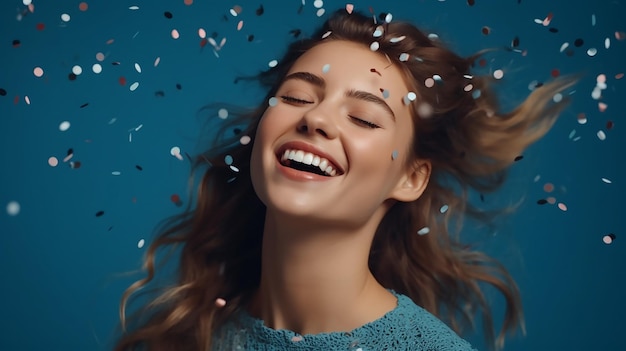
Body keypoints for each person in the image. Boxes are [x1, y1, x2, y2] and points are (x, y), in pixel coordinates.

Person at [113, 8, 575, 351]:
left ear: (411, 178)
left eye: (365, 119)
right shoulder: (189, 336)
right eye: (296, 96)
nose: (316, 119)